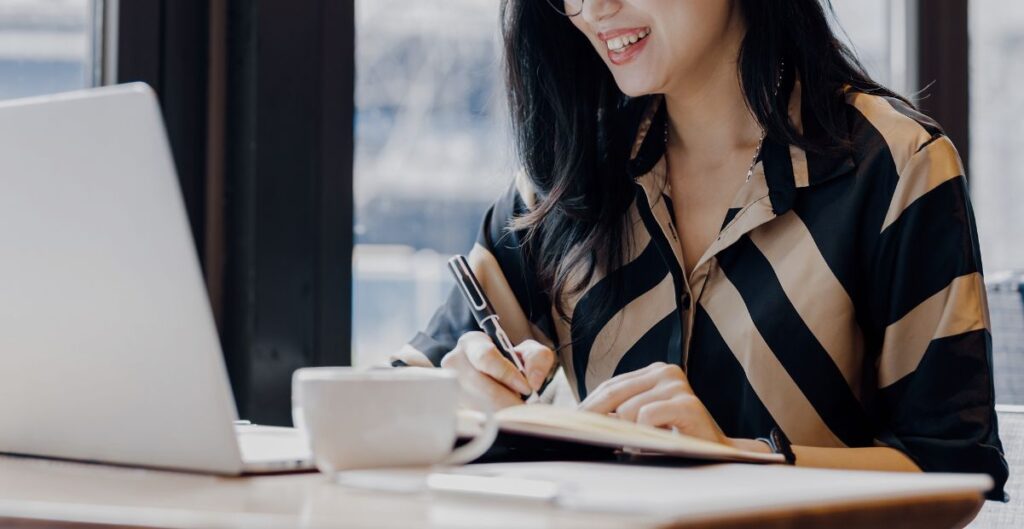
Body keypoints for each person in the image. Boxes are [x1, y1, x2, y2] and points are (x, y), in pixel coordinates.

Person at [391, 0, 1008, 500]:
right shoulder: (566, 180)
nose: (594, 9)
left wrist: (737, 462)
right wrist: (458, 399)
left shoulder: (894, 167)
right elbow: (385, 403)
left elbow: (952, 477)